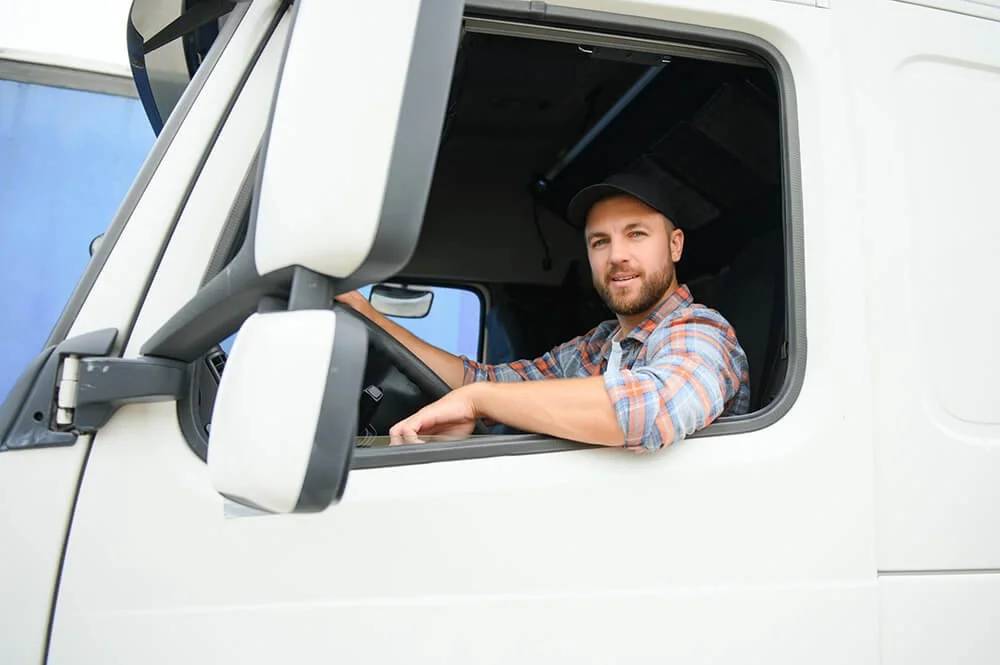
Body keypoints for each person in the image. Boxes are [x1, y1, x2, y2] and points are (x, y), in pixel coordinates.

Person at [337, 170, 750, 450]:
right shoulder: (599, 344)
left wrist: (479, 400)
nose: (617, 255)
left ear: (675, 245)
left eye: (636, 234)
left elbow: (650, 409)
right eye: (600, 242)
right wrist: (367, 315)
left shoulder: (701, 332)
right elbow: (481, 378)